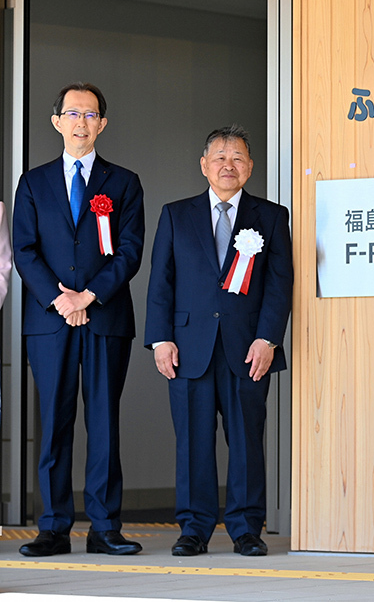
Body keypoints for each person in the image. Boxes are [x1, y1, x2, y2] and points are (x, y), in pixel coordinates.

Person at [144, 125, 293, 557]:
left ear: (250, 167)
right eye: (220, 157)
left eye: (238, 158)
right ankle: (194, 528)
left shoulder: (270, 216)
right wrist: (160, 340)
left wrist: (268, 339)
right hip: (188, 347)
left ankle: (247, 528)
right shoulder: (176, 214)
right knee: (192, 440)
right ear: (204, 165)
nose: (229, 165)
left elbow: (280, 284)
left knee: (246, 439)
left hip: (248, 349)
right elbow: (161, 283)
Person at [13, 82, 145, 557]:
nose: (81, 122)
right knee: (55, 423)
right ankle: (53, 526)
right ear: (56, 121)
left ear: (102, 124)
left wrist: (89, 296)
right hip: (50, 322)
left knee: (105, 423)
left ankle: (105, 527)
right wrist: (61, 300)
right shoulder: (33, 182)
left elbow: (129, 252)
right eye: (73, 113)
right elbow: (24, 251)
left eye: (91, 115)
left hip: (105, 318)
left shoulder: (124, 182)